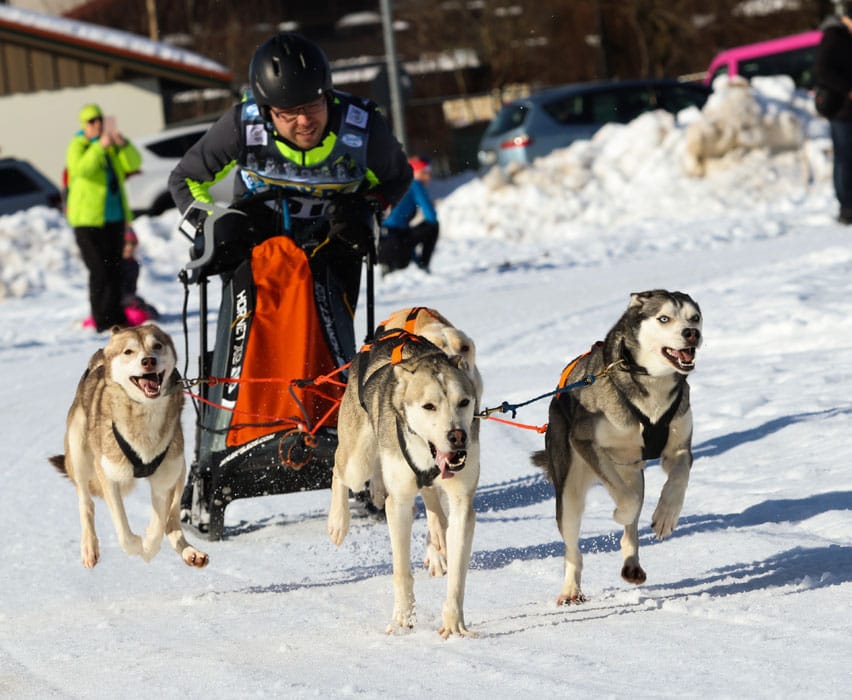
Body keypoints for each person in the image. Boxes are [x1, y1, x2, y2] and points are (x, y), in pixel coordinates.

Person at [168, 31, 412, 362]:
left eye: (313, 105)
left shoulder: (362, 125)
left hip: (332, 238)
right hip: (258, 235)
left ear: (327, 94)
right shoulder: (242, 125)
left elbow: (396, 176)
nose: (304, 121)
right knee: (262, 342)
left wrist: (369, 207)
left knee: (320, 342)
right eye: (288, 112)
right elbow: (185, 178)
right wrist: (212, 223)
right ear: (267, 111)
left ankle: (332, 391)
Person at [66, 104, 142, 332]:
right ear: (84, 125)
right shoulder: (78, 145)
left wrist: (123, 144)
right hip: (88, 220)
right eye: (91, 122)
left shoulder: (110, 146)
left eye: (99, 120)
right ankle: (102, 319)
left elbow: (133, 163)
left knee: (115, 268)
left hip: (114, 218)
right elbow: (81, 170)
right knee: (99, 270)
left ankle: (117, 318)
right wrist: (99, 147)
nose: (97, 125)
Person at [815, 1, 852, 224]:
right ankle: (846, 207)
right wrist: (848, 89)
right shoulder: (834, 36)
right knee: (845, 158)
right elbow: (822, 70)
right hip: (840, 109)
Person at [378, 156, 440, 274]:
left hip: (381, 246)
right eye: (424, 172)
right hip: (396, 245)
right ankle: (424, 265)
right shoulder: (414, 184)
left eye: (429, 173)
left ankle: (391, 266)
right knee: (433, 226)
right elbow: (431, 216)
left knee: (405, 233)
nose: (428, 177)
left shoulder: (394, 181)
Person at [120, 227, 160, 324]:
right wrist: (128, 300)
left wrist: (135, 300)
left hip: (128, 302)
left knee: (152, 312)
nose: (129, 247)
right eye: (126, 243)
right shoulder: (115, 264)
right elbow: (112, 292)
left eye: (132, 244)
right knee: (139, 316)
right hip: (115, 304)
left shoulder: (134, 264)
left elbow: (131, 289)